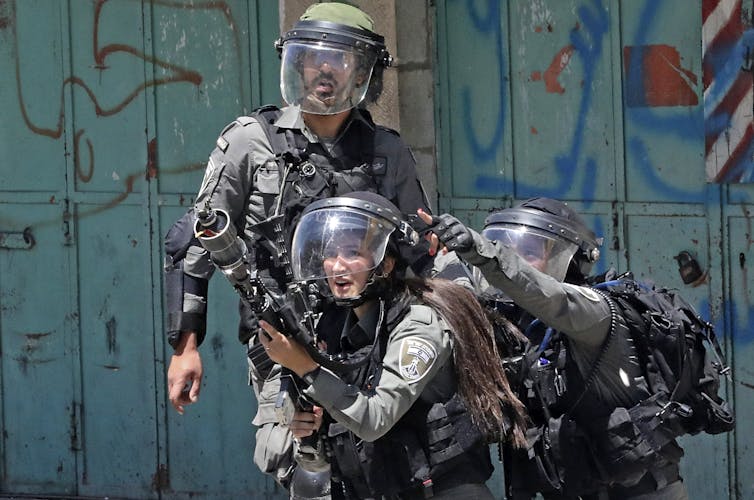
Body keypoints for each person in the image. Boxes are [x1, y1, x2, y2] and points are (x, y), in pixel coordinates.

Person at [163, 2, 431, 493]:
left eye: (340, 61)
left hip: (370, 346)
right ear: (294, 63)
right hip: (283, 345)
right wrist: (186, 347)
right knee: (307, 473)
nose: (323, 72)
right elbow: (193, 242)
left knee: (385, 471)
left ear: (365, 72)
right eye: (311, 59)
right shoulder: (250, 141)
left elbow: (418, 256)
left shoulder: (387, 152)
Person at [258, 192, 529, 499]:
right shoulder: (338, 328)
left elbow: (375, 419)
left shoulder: (418, 323)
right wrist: (315, 425)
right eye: (330, 253)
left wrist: (304, 366)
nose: (337, 265)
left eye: (352, 252)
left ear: (385, 264)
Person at [418, 198, 690, 499]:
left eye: (530, 252)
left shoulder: (594, 311)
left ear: (570, 261)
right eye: (506, 248)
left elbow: (546, 294)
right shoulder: (518, 324)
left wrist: (481, 251)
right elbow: (467, 308)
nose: (516, 258)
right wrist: (445, 258)